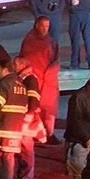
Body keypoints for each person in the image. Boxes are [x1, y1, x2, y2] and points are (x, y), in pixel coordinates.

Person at [20, 16, 61, 144]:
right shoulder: (29, 40)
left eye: (47, 27)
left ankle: (49, 132)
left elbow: (55, 61)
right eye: (42, 26)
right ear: (37, 25)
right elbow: (24, 59)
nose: (44, 29)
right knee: (33, 106)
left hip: (47, 79)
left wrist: (50, 76)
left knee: (48, 107)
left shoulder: (51, 42)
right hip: (33, 79)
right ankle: (35, 132)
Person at [13, 56, 44, 179]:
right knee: (21, 151)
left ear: (21, 65)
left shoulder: (29, 79)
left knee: (26, 150)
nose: (13, 66)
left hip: (26, 121)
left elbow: (33, 99)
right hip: (22, 119)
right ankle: (22, 177)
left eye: (15, 64)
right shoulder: (22, 78)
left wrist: (27, 118)